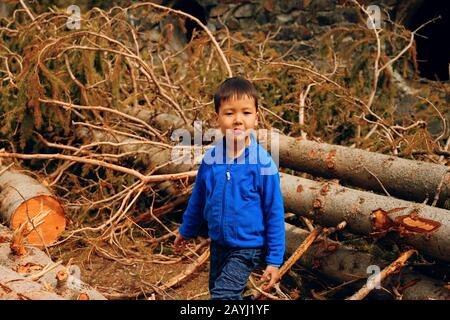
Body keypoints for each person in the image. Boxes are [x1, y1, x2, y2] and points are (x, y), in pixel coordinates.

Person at [174, 76, 285, 300]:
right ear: (218, 119)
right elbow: (198, 200)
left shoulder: (262, 164)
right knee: (220, 291)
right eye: (229, 113)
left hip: (247, 247)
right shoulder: (211, 160)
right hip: (218, 245)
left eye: (245, 112)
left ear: (256, 117)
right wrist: (186, 230)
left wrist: (274, 260)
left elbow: (274, 212)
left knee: (223, 296)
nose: (237, 120)